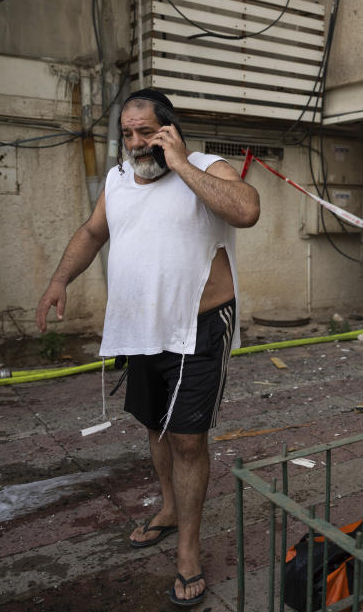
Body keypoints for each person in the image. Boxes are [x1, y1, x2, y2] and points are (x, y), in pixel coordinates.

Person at [35, 88, 260, 607]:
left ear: (169, 130)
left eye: (147, 133)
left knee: (187, 439)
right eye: (129, 133)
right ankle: (168, 506)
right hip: (140, 326)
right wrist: (59, 280)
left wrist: (180, 162)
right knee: (156, 426)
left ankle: (188, 550)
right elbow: (94, 233)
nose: (137, 143)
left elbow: (247, 210)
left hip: (199, 326)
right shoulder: (117, 180)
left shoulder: (205, 166)